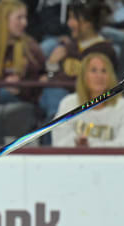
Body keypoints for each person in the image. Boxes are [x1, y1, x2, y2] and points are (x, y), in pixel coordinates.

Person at [39, 0, 117, 135]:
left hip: (86, 107)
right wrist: (51, 65)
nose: (68, 23)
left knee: (56, 93)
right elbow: (49, 78)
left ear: (87, 23)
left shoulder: (104, 50)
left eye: (73, 18)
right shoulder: (67, 47)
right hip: (60, 106)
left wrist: (56, 80)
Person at [52, 53, 124, 147]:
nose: (99, 76)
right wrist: (76, 142)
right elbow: (59, 141)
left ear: (111, 76)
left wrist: (90, 146)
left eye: (104, 71)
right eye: (93, 70)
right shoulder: (68, 104)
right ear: (84, 76)